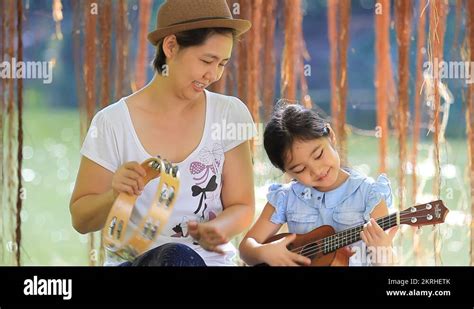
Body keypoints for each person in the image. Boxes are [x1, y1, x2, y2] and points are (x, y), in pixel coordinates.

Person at [70, 0, 256, 266]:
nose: (213, 74)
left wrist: (218, 228)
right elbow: (81, 219)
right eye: (207, 60)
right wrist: (115, 195)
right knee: (176, 257)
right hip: (135, 261)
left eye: (222, 63)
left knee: (182, 258)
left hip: (208, 263)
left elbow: (243, 206)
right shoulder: (112, 123)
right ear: (170, 46)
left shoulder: (229, 114)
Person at [239, 103, 398, 266]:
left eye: (318, 155)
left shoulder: (370, 195)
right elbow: (246, 248)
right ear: (287, 172)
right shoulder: (285, 198)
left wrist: (383, 251)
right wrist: (263, 252)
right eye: (300, 169)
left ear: (331, 136)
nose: (316, 170)